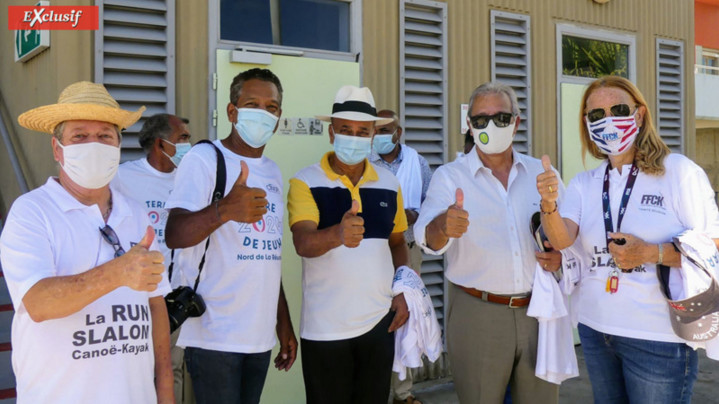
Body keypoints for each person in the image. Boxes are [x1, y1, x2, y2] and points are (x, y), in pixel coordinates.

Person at [536, 75, 719, 404]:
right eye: (596, 114)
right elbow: (562, 239)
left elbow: (713, 247)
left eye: (618, 109)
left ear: (639, 114)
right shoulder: (583, 183)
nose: (607, 120)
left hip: (658, 338)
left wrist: (652, 253)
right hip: (596, 330)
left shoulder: (679, 172)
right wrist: (548, 204)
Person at [0, 81, 173, 403]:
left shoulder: (135, 213)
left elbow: (156, 302)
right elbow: (37, 303)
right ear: (57, 149)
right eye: (79, 136)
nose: (93, 144)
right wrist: (118, 273)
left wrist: (165, 390)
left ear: (118, 146)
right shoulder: (32, 212)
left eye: (105, 136)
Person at [414, 81, 562, 404]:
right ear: (469, 125)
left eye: (500, 118)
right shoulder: (450, 177)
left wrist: (561, 258)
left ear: (516, 122)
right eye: (480, 120)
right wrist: (444, 225)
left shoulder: (542, 174)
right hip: (478, 312)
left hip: (539, 312)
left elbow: (566, 238)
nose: (490, 126)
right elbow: (425, 235)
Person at [164, 68, 297, 404]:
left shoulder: (272, 170)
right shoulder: (205, 159)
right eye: (252, 103)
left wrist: (283, 323)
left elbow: (268, 255)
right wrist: (224, 211)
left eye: (272, 107)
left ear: (279, 116)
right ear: (232, 112)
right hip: (214, 334)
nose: (263, 113)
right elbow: (174, 233)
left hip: (259, 335)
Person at [287, 85, 410, 404]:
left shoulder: (389, 183)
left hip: (378, 326)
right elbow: (302, 242)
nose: (354, 138)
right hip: (325, 330)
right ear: (331, 133)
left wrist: (403, 291)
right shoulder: (305, 181)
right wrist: (336, 235)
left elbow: (397, 244)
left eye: (362, 131)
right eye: (346, 130)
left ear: (372, 135)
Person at [112, 113, 193, 404]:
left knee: (174, 369)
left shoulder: (191, 178)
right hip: (139, 296)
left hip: (179, 296)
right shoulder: (123, 176)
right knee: (139, 370)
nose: (189, 144)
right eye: (183, 137)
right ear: (161, 144)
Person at [369, 109, 431, 404]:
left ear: (399, 133)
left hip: (407, 251)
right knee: (373, 317)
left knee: (405, 317)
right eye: (377, 130)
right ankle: (375, 389)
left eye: (387, 130)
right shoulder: (363, 160)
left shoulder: (418, 163)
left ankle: (403, 393)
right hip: (369, 252)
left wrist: (414, 215)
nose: (381, 136)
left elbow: (432, 204)